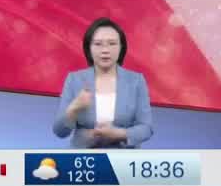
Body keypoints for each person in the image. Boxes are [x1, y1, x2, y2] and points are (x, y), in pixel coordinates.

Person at [52, 17, 154, 148]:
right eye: (98, 44)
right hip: (84, 157)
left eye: (112, 43)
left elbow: (146, 128)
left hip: (123, 158)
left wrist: (118, 133)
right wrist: (74, 107)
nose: (105, 50)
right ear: (89, 48)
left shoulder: (136, 81)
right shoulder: (74, 79)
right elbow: (59, 132)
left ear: (121, 47)